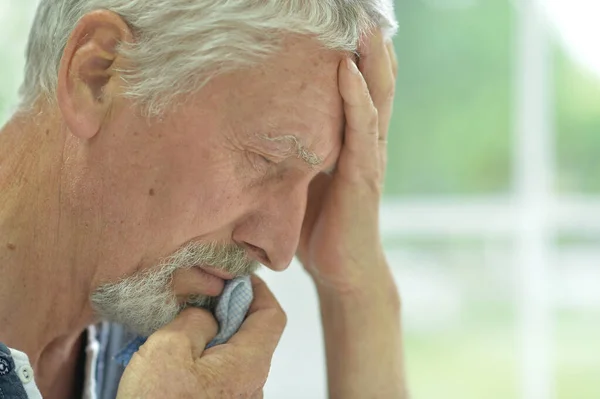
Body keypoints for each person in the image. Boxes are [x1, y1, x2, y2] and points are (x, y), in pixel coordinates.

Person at [0, 1, 406, 398]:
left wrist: (355, 283)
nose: (280, 252)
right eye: (267, 157)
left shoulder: (158, 339)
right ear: (97, 75)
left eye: (316, 178)